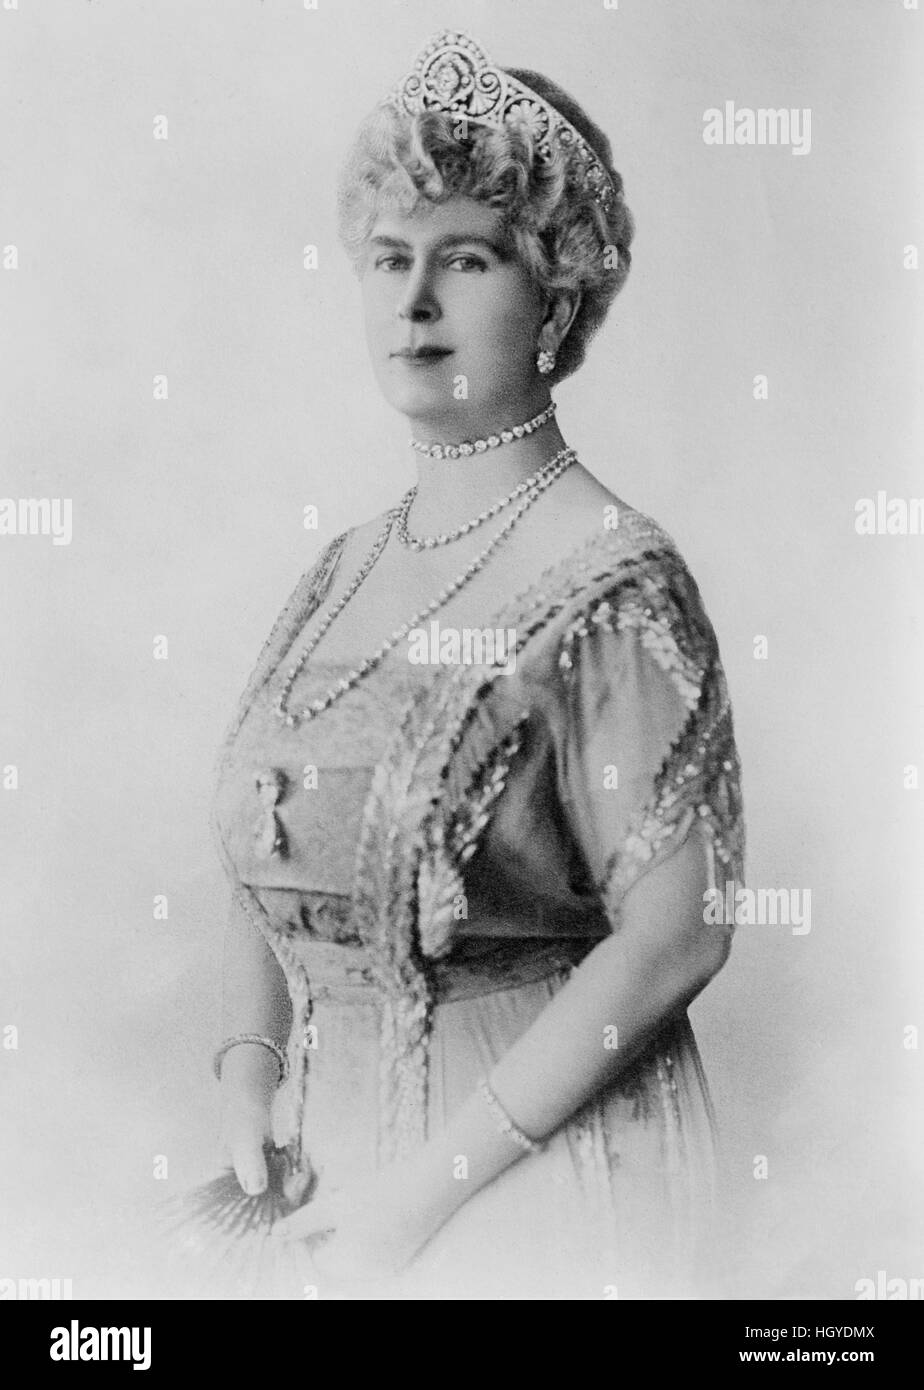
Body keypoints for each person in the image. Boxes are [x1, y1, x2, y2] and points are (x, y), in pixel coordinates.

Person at [208, 30, 745, 1300]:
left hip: (537, 1180)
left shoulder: (615, 574)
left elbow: (678, 935)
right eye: (390, 259)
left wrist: (428, 1191)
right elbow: (254, 837)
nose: (414, 303)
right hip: (329, 1177)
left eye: (465, 258)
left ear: (553, 296)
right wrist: (245, 1064)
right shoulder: (339, 568)